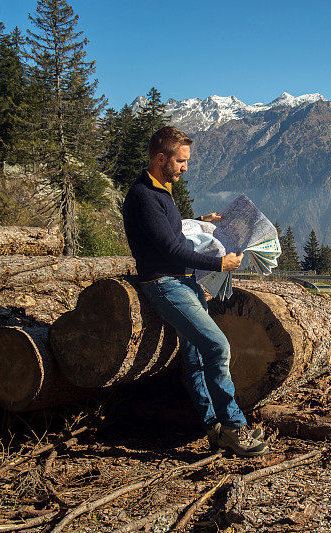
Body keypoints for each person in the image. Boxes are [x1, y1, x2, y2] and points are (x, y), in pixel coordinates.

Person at [122, 126, 268, 457]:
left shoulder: (158, 191)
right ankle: (234, 427)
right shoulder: (143, 196)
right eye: (181, 161)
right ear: (161, 159)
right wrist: (220, 265)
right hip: (164, 284)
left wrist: (202, 220)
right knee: (217, 346)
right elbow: (172, 251)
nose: (186, 167)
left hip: (180, 280)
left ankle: (213, 426)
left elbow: (166, 231)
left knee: (196, 351)